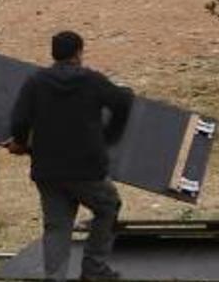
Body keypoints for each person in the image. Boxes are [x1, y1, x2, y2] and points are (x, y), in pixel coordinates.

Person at [7, 32, 132, 282]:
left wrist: (20, 143)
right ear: (78, 53)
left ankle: (55, 277)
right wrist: (109, 137)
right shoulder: (92, 81)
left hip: (48, 171)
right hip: (87, 169)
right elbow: (123, 101)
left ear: (54, 54)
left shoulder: (36, 82)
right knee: (108, 207)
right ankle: (94, 268)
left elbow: (19, 119)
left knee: (57, 226)